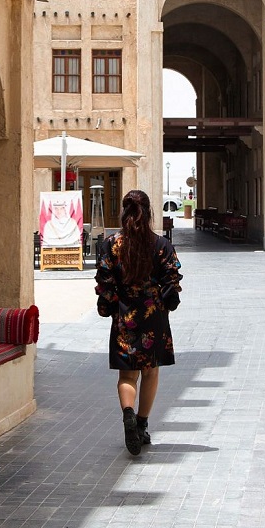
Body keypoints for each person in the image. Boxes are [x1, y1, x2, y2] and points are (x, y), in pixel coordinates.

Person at [94, 189, 183, 455]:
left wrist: (109, 306)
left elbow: (105, 282)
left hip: (125, 317)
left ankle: (128, 415)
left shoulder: (111, 244)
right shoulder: (160, 244)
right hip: (153, 316)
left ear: (124, 212)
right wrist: (167, 304)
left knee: (127, 374)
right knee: (151, 371)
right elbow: (172, 280)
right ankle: (142, 425)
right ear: (149, 213)